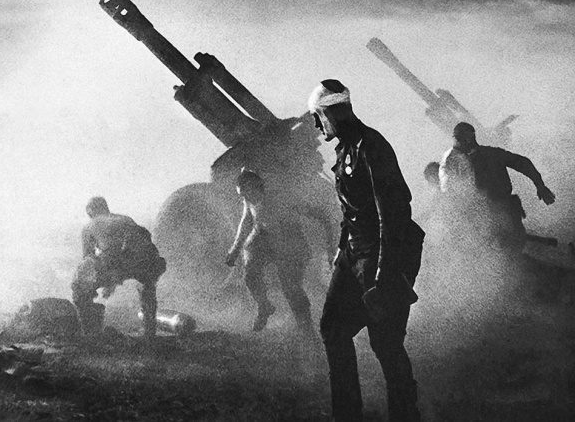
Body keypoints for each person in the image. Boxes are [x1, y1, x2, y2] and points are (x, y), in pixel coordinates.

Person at [309, 79, 425, 421]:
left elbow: (394, 213)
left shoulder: (372, 146)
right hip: (354, 254)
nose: (316, 125)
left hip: (383, 254)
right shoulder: (345, 148)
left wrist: (383, 276)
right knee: (333, 328)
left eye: (317, 116)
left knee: (386, 343)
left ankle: (406, 415)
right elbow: (353, 208)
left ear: (332, 113)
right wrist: (341, 249)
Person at [225, 168, 319, 336]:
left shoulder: (278, 196)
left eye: (247, 193)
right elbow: (247, 220)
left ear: (256, 186)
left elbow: (307, 211)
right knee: (250, 274)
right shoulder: (249, 198)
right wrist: (235, 248)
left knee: (291, 287)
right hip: (263, 234)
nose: (245, 198)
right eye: (242, 195)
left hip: (289, 238)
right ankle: (264, 306)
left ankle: (306, 328)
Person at [440, 122, 555, 247]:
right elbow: (451, 192)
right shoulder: (457, 162)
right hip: (482, 214)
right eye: (455, 139)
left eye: (458, 139)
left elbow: (523, 163)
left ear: (467, 139)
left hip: (503, 209)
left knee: (509, 242)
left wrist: (540, 186)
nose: (456, 143)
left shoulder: (492, 154)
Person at [72, 197, 166, 338]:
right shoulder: (125, 219)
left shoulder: (89, 226)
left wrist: (107, 280)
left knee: (79, 285)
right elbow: (141, 241)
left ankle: (89, 331)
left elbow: (88, 258)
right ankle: (149, 330)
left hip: (119, 261)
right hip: (147, 261)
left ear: (91, 212)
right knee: (147, 287)